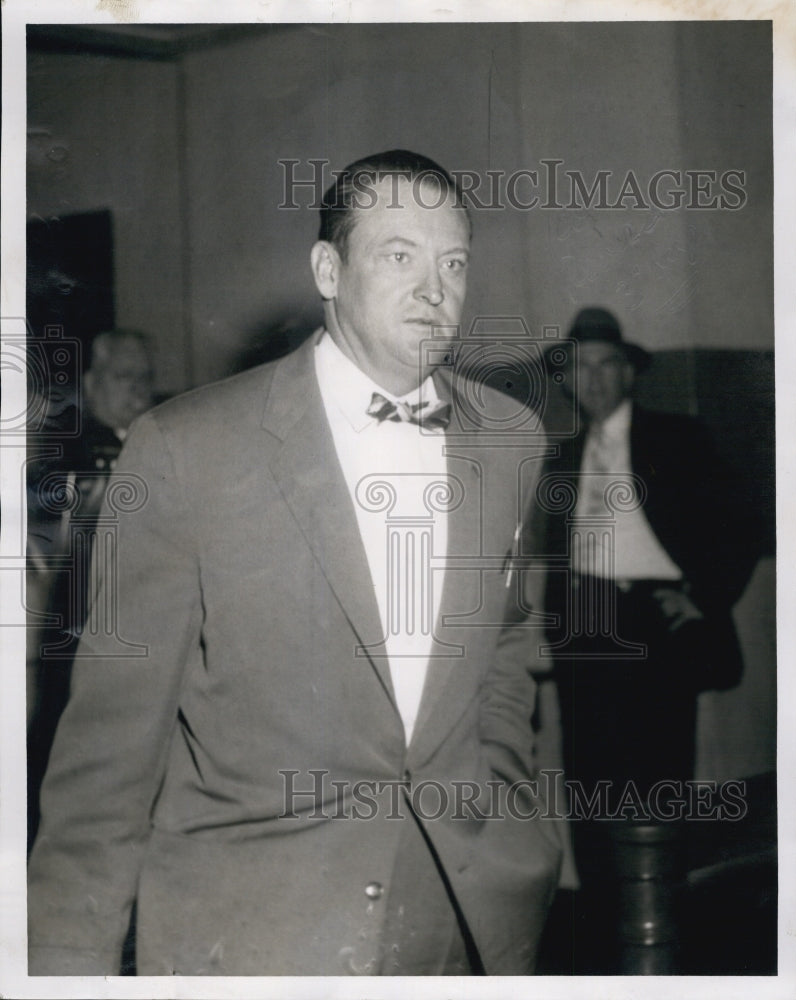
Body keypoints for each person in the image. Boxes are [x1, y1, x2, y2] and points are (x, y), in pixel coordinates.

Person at [28, 150, 561, 977]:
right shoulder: (187, 447)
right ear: (327, 268)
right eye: (399, 255)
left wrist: (500, 810)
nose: (435, 288)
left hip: (460, 921)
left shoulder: (510, 439)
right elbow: (107, 760)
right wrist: (64, 964)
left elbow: (507, 654)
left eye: (453, 261)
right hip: (252, 935)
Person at [532, 306, 760, 972]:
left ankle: (664, 937)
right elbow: (558, 555)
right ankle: (607, 941)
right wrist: (548, 641)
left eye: (606, 365)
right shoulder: (563, 455)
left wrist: (702, 595)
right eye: (580, 368)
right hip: (585, 633)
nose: (593, 379)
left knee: (657, 784)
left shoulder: (677, 439)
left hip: (654, 629)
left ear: (629, 373)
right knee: (588, 784)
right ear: (569, 381)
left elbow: (743, 523)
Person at [26, 329, 156, 847]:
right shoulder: (63, 452)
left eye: (147, 377)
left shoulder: (166, 438)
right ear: (92, 382)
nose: (140, 390)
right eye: (126, 377)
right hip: (76, 635)